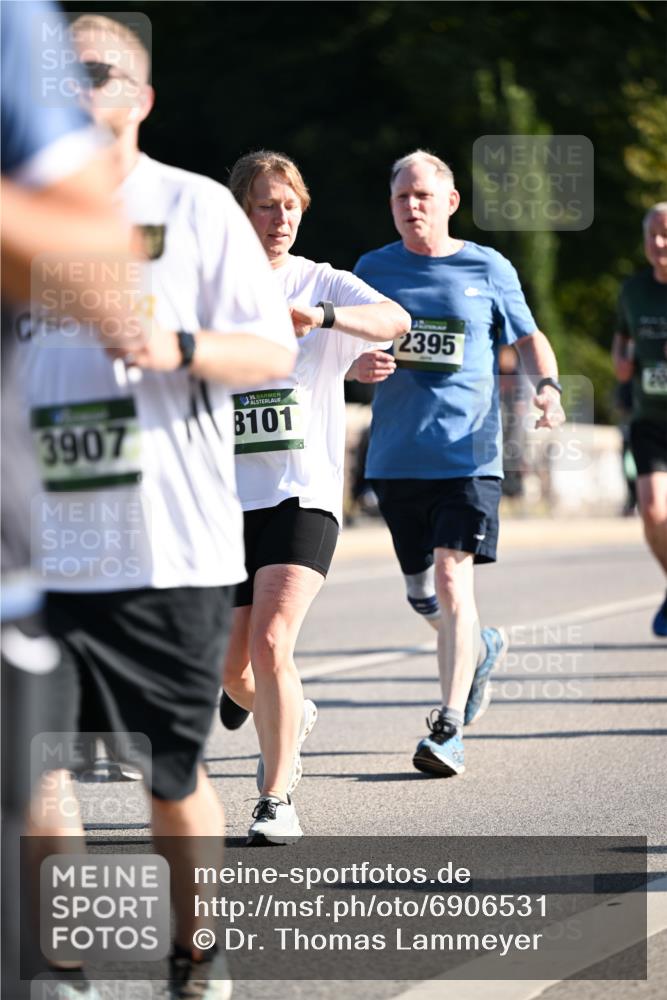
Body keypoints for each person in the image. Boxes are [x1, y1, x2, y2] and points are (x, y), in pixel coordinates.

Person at [20, 15, 297, 1000]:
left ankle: (196, 950)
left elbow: (267, 351)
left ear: (137, 98)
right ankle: (62, 968)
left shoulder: (195, 208)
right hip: (37, 554)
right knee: (36, 772)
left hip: (166, 549)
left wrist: (177, 346)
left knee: (169, 776)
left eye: (94, 73)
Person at [354, 150, 565, 778]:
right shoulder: (372, 269)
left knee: (453, 581)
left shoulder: (487, 266)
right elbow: (337, 348)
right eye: (401, 198)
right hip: (396, 458)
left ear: (450, 202)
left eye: (423, 195)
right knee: (423, 595)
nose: (412, 206)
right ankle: (482, 645)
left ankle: (448, 728)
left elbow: (527, 336)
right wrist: (357, 365)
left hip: (469, 456)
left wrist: (546, 387)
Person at [219, 150, 410, 844]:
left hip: (302, 493)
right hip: (221, 504)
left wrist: (327, 319)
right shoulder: (210, 288)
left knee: (273, 641)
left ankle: (275, 799)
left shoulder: (320, 281)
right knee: (233, 670)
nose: (279, 219)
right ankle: (290, 716)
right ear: (242, 211)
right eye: (266, 206)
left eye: (289, 206)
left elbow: (395, 320)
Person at [612, 203, 667, 636]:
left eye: (666, 234)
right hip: (649, 419)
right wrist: (622, 364)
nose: (660, 243)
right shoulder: (633, 290)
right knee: (651, 512)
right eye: (653, 235)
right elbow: (622, 340)